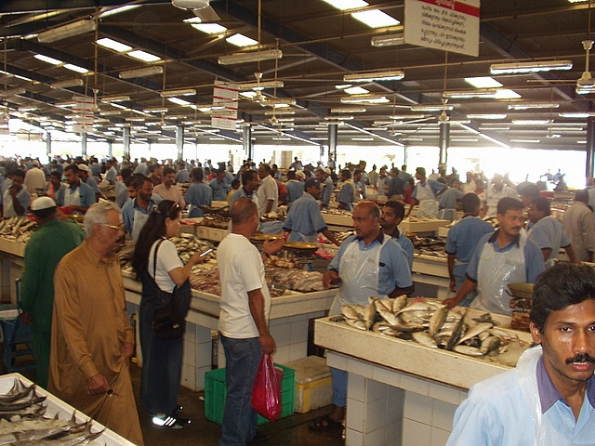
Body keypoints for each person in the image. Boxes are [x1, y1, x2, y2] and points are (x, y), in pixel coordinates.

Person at [446, 263, 595, 446]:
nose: (583, 347)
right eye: (566, 329)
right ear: (536, 331)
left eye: (593, 328)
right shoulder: (491, 406)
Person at [49, 201, 144, 445]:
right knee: (76, 436)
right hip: (81, 374)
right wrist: (90, 371)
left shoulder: (112, 262)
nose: (121, 233)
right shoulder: (69, 268)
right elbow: (69, 326)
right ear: (97, 230)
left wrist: (128, 336)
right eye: (116, 227)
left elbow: (119, 305)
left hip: (115, 366)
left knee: (127, 436)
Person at [315, 201, 413, 433]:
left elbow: (406, 287)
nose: (355, 224)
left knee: (365, 365)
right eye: (354, 219)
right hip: (342, 310)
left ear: (375, 221)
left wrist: (382, 306)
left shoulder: (392, 249)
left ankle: (362, 417)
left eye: (360, 219)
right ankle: (338, 410)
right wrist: (331, 276)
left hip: (371, 317)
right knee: (337, 362)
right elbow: (334, 268)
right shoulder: (348, 243)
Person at [132, 200, 206, 428]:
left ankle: (155, 405)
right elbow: (179, 278)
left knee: (153, 362)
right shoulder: (165, 246)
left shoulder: (149, 243)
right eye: (177, 220)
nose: (179, 225)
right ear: (166, 221)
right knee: (166, 364)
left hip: (151, 309)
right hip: (165, 314)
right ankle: (163, 414)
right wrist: (193, 261)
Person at [218, 198, 284, 446]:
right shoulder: (245, 250)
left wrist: (264, 254)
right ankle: (231, 441)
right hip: (245, 334)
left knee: (242, 389)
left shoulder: (227, 243)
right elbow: (254, 296)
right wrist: (264, 334)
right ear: (253, 218)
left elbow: (242, 276)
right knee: (241, 393)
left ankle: (245, 435)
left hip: (231, 328)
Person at [18, 197, 85, 388]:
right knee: (73, 354)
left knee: (47, 357)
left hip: (45, 311)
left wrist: (25, 307)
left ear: (35, 217)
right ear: (56, 210)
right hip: (76, 307)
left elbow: (30, 281)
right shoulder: (76, 231)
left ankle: (50, 393)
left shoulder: (36, 240)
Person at [444, 198, 545, 314]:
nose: (518, 224)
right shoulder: (485, 242)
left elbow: (538, 291)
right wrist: (456, 300)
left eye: (521, 219)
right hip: (480, 310)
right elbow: (472, 279)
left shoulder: (531, 250)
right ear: (499, 217)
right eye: (513, 218)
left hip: (510, 317)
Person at [445, 193, 495, 305]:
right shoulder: (488, 228)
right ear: (477, 207)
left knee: (461, 305)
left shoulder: (455, 228)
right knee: (480, 306)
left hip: (461, 273)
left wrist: (452, 278)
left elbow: (450, 257)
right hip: (481, 273)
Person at [283, 178, 339, 245]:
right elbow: (321, 227)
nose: (320, 191)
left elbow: (287, 226)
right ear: (308, 188)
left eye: (320, 188)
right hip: (305, 243)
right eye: (317, 188)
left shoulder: (296, 202)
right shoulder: (312, 203)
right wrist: (337, 243)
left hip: (292, 241)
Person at [528, 196, 576, 266]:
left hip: (540, 268)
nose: (529, 212)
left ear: (542, 211)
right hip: (551, 267)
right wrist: (574, 262)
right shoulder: (557, 223)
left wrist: (535, 267)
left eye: (532, 209)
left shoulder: (539, 227)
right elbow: (568, 246)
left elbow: (546, 250)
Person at [122, 175, 157, 241]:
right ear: (138, 190)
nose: (150, 193)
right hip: (137, 244)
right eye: (147, 190)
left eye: (151, 190)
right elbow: (125, 232)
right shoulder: (127, 208)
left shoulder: (157, 202)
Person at [563, 189, 595, 262]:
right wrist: (591, 254)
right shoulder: (586, 211)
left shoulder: (568, 210)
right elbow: (589, 235)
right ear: (586, 198)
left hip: (568, 252)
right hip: (582, 253)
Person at [380, 200, 414, 268]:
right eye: (382, 213)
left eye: (388, 214)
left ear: (397, 220)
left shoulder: (405, 244)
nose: (382, 217)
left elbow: (404, 270)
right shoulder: (371, 238)